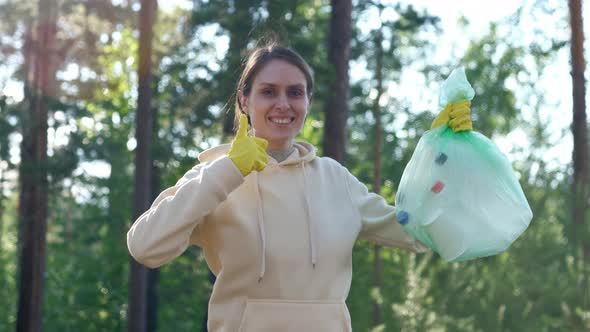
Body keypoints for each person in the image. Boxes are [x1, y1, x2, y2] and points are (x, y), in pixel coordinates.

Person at [126, 44, 471, 331]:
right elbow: (145, 246)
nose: (283, 103)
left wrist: (447, 153)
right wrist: (231, 168)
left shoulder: (336, 180)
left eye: (295, 92)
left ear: (307, 102)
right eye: (268, 91)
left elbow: (421, 232)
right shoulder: (215, 174)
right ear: (244, 102)